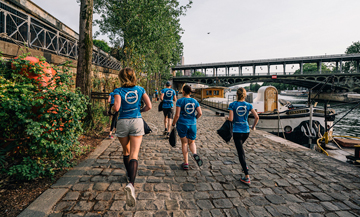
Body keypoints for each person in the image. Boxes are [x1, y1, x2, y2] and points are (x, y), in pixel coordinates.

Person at [110, 67, 152, 207]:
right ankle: (131, 184)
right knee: (134, 154)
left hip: (122, 122)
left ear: (121, 77)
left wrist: (111, 107)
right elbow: (149, 106)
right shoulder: (140, 89)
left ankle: (128, 174)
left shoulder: (118, 91)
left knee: (126, 151)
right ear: (134, 76)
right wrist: (140, 110)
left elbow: (116, 108)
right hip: (136, 121)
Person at [227, 87, 259, 185]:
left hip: (237, 131)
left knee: (240, 153)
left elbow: (231, 119)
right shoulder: (248, 105)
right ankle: (244, 166)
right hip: (246, 131)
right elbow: (257, 117)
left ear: (236, 95)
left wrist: (227, 118)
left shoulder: (232, 105)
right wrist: (253, 127)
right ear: (244, 95)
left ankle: (247, 176)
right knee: (241, 150)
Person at [172, 85, 203, 170]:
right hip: (192, 124)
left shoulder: (180, 101)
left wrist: (173, 124)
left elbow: (177, 115)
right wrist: (194, 118)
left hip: (182, 124)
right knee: (192, 142)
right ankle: (195, 154)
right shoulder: (195, 101)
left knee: (184, 143)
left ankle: (186, 163)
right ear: (190, 92)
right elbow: (200, 113)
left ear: (183, 92)